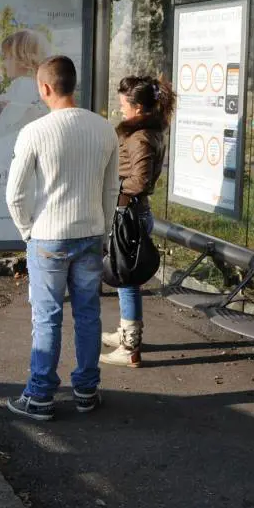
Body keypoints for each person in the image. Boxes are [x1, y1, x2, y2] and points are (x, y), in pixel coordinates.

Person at [5, 56, 119, 421]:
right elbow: (110, 188)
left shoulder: (35, 132)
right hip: (90, 233)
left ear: (45, 88)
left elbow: (15, 195)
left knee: (48, 317)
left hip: (48, 238)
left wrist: (27, 230)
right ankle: (86, 391)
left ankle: (39, 396)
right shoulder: (104, 129)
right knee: (88, 315)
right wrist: (102, 228)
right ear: (74, 84)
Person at [100, 75, 175, 368]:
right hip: (133, 212)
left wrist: (112, 188)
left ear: (139, 108)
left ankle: (130, 346)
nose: (121, 110)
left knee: (126, 279)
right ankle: (126, 331)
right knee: (125, 277)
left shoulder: (141, 135)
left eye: (124, 106)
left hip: (130, 214)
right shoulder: (147, 130)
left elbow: (140, 180)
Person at [1, 30, 50, 105]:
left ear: (22, 59)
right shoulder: (36, 85)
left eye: (5, 57)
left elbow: (10, 116)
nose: (3, 63)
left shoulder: (25, 84)